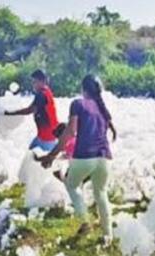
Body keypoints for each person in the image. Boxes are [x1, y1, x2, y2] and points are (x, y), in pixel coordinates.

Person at [38, 75, 117, 245]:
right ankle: (108, 236)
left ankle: (85, 223)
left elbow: (70, 132)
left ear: (83, 89)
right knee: (101, 194)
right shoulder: (102, 108)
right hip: (104, 157)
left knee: (71, 184)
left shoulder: (78, 104)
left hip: (84, 156)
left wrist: (51, 155)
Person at [5, 70, 59, 151]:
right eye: (32, 82)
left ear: (43, 81)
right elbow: (31, 107)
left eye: (35, 82)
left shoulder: (42, 94)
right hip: (45, 135)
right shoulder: (45, 92)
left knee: (34, 160)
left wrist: (10, 113)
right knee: (30, 157)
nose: (33, 85)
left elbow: (29, 110)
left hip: (47, 138)